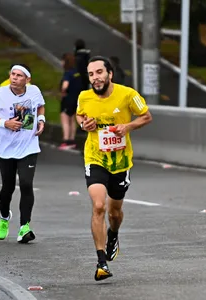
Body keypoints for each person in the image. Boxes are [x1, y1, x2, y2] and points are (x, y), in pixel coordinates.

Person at [76, 56, 152, 281]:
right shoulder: (84, 96)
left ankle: (114, 233)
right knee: (99, 206)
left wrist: (127, 126)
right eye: (91, 74)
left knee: (114, 212)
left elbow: (146, 116)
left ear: (110, 74)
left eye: (99, 72)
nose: (95, 78)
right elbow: (80, 114)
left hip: (120, 162)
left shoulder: (128, 94)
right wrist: (83, 124)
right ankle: (101, 263)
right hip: (95, 158)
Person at [0, 64, 45, 243]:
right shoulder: (0, 94)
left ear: (27, 79)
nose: (14, 78)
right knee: (8, 188)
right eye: (13, 74)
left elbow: (41, 107)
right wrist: (6, 123)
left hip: (28, 147)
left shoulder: (34, 91)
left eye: (19, 75)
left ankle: (24, 227)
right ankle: (4, 217)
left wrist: (41, 120)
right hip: (6, 149)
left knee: (27, 184)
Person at [58, 53, 83, 150]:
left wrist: (63, 92)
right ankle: (72, 140)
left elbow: (65, 85)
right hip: (76, 100)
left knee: (65, 119)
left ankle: (66, 141)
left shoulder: (67, 73)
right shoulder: (76, 73)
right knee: (72, 120)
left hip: (67, 99)